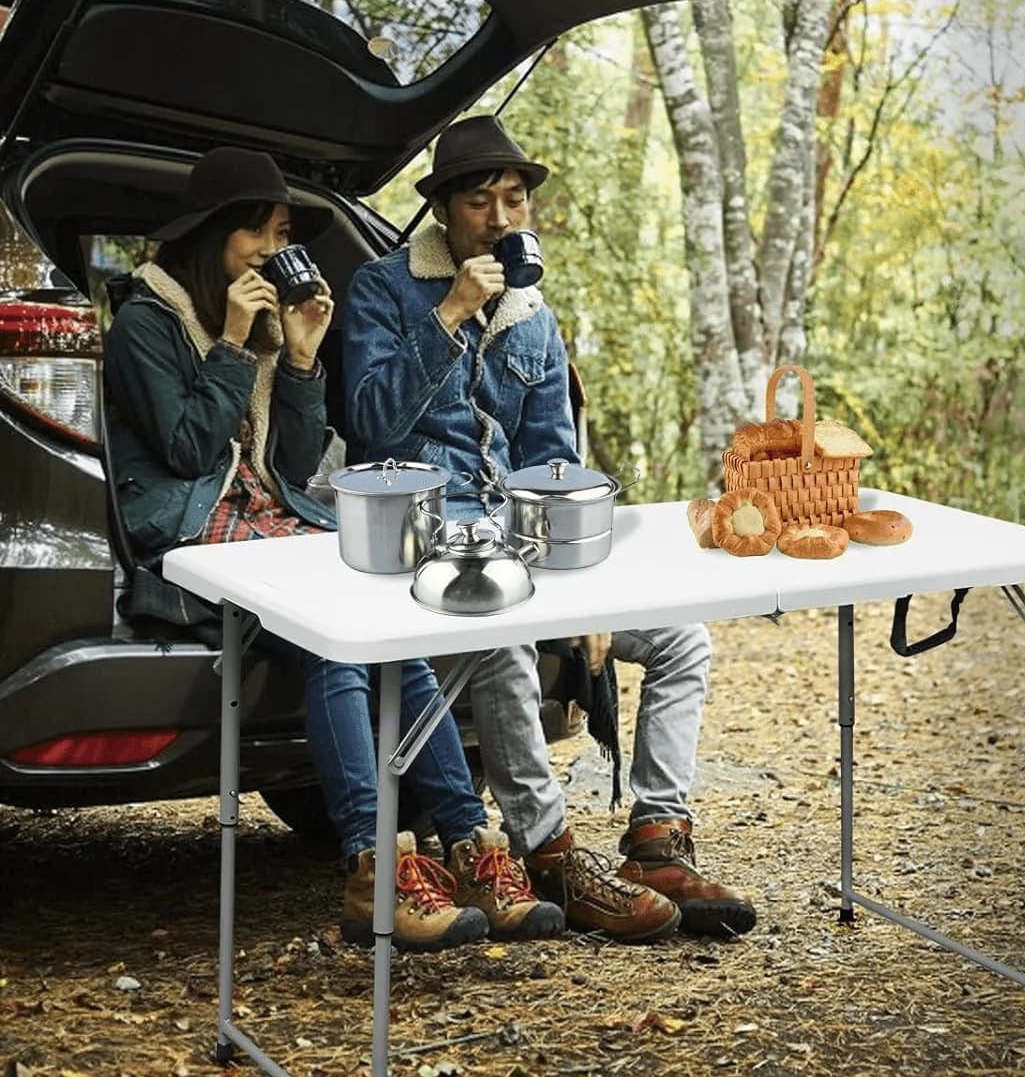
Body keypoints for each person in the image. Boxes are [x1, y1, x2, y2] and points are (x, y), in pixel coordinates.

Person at [104, 146, 562, 952]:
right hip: (186, 522)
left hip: (266, 511)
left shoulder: (263, 321)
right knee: (339, 643)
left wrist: (305, 356)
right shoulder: (149, 320)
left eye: (284, 235)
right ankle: (373, 865)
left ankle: (469, 843)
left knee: (385, 626)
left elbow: (288, 462)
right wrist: (238, 344)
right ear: (221, 236)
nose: (280, 253)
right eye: (269, 234)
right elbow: (186, 450)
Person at [344, 115, 756, 942]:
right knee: (502, 631)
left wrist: (589, 592)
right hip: (429, 545)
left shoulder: (534, 316)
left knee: (682, 637)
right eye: (479, 200)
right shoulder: (383, 290)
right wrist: (453, 313)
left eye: (515, 199)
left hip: (524, 546)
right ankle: (550, 853)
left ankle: (654, 837)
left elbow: (554, 467)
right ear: (443, 212)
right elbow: (370, 428)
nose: (500, 219)